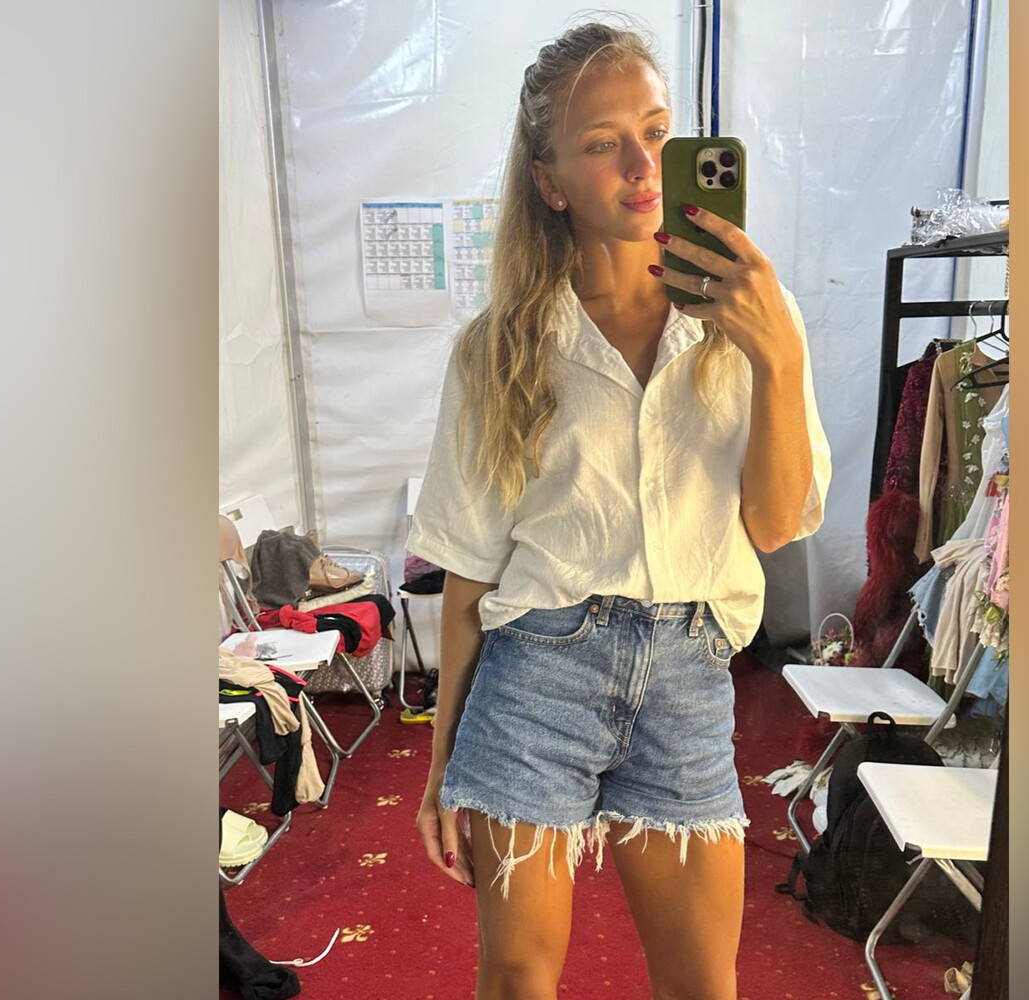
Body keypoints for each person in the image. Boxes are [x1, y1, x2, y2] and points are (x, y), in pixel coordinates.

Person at [408, 20, 831, 1000]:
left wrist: (776, 357)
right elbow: (469, 570)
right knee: (517, 977)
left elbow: (774, 525)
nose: (644, 166)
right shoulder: (501, 347)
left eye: (656, 131)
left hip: (689, 676)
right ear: (550, 180)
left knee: (701, 983)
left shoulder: (754, 324)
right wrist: (439, 768)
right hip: (537, 673)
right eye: (604, 143)